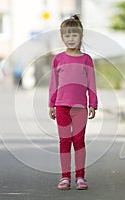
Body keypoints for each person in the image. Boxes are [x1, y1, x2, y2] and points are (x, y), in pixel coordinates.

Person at [48, 14, 98, 190]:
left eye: (74, 35)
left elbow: (92, 83)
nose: (71, 39)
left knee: (78, 140)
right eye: (67, 35)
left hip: (80, 107)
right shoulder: (58, 59)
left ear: (81, 36)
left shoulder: (87, 59)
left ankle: (80, 177)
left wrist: (93, 103)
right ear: (62, 37)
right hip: (61, 106)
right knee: (64, 140)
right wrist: (51, 104)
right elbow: (53, 83)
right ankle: (65, 177)